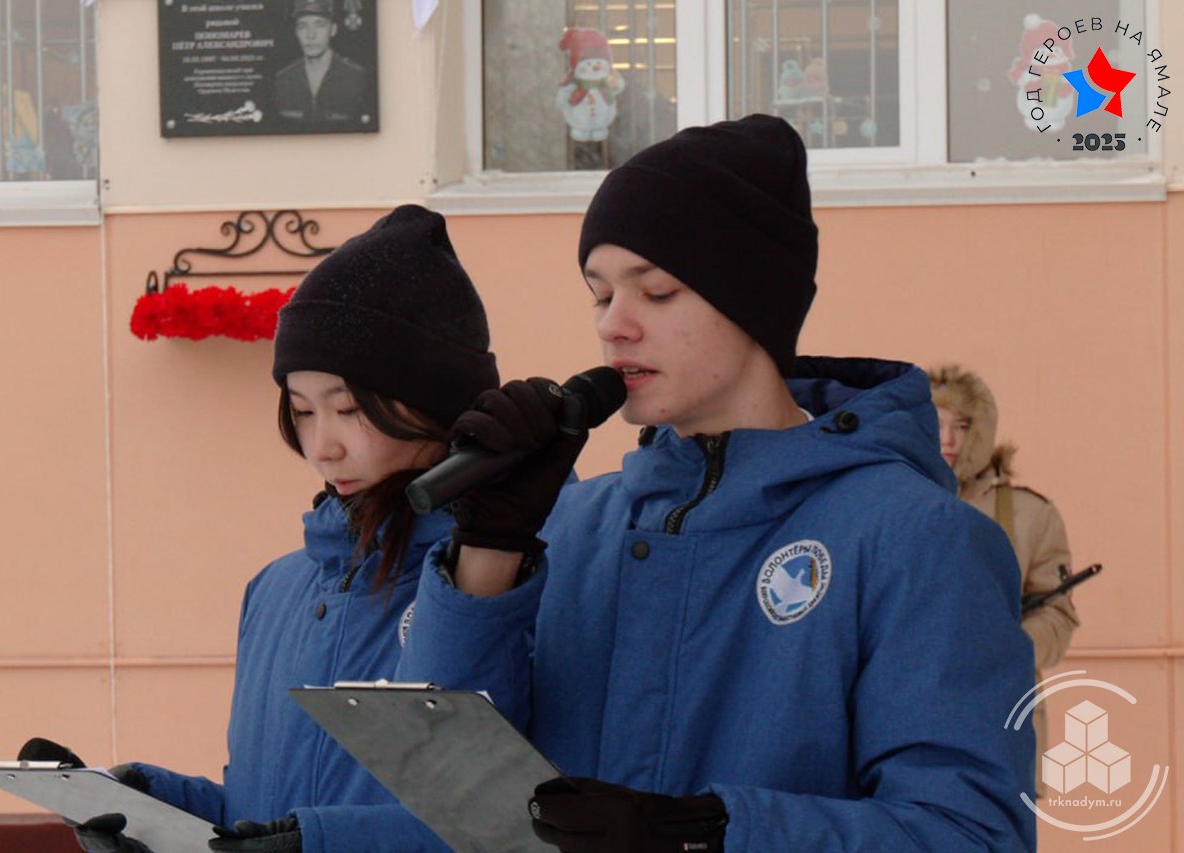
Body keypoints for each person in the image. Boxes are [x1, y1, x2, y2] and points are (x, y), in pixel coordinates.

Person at [396, 115, 1038, 851]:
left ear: (753, 300)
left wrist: (707, 833)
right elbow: (444, 779)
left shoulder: (916, 538)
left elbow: (971, 833)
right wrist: (489, 552)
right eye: (599, 294)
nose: (615, 326)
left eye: (657, 291)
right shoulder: (572, 525)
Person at [19, 205, 499, 853]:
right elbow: (259, 806)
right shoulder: (277, 588)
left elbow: (513, 818)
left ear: (435, 401)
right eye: (302, 410)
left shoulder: (497, 577)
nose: (322, 445)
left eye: (349, 408)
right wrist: (142, 801)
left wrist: (313, 840)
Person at [931, 363, 1081, 790]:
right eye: (937, 423)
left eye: (962, 425)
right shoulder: (882, 505)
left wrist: (1007, 647)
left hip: (1000, 722)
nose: (948, 439)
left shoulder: (1030, 515)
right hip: (904, 721)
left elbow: (1058, 615)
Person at [273, 0, 369, 128]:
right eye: (302, 26)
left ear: (333, 30)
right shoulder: (283, 80)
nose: (310, 35)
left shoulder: (356, 78)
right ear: (296, 32)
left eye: (320, 25)